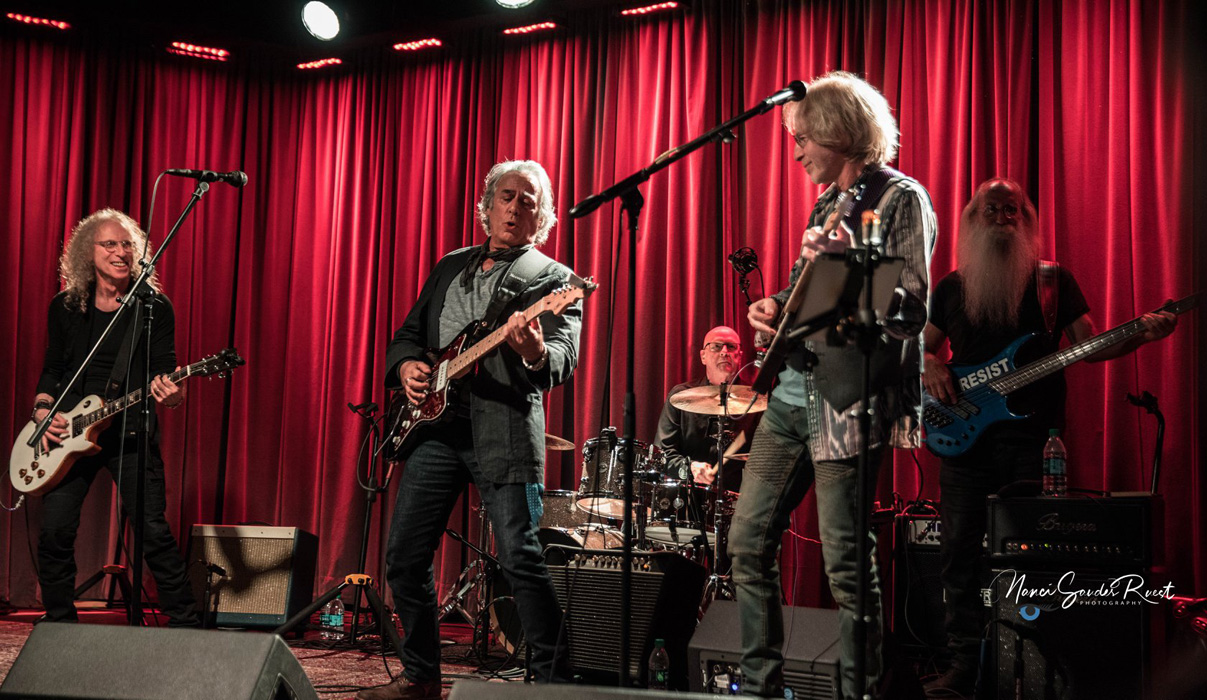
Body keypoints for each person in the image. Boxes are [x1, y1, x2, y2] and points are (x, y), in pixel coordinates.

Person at [921, 178, 1176, 697]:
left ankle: (1031, 663)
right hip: (962, 437)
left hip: (1034, 441)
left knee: (1031, 555)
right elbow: (921, 349)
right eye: (990, 209)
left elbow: (1089, 346)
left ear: (1027, 219)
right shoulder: (949, 286)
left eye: (1012, 210)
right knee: (958, 554)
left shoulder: (1053, 283)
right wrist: (927, 364)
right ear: (972, 219)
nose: (1001, 218)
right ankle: (965, 663)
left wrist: (1140, 336)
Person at [731, 71, 937, 700]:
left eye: (802, 141)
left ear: (839, 134)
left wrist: (847, 267)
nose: (796, 154)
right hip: (792, 393)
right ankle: (763, 687)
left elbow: (909, 310)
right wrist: (772, 306)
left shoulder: (901, 198)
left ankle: (861, 694)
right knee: (746, 542)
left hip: (849, 401)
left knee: (847, 568)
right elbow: (808, 300)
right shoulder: (829, 203)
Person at [364, 160, 580, 700]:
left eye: (527, 201)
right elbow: (406, 335)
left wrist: (532, 350)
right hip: (434, 432)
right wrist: (406, 367)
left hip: (502, 429)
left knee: (520, 558)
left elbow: (561, 358)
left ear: (542, 217)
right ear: (485, 208)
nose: (514, 208)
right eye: (506, 197)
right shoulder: (449, 265)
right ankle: (421, 677)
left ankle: (556, 684)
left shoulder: (552, 279)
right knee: (404, 558)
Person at [32, 208, 198, 627]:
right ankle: (59, 625)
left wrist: (173, 393)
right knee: (54, 532)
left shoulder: (153, 307)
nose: (121, 252)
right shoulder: (66, 306)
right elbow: (53, 367)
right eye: (110, 244)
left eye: (127, 244)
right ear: (89, 252)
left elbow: (167, 370)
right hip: (69, 434)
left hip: (129, 430)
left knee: (153, 533)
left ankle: (185, 624)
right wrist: (41, 411)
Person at [655, 325, 755, 493]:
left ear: (740, 355)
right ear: (703, 356)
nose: (724, 352)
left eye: (731, 347)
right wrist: (690, 468)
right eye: (716, 346)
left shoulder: (756, 400)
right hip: (689, 498)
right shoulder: (681, 396)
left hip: (741, 498)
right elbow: (662, 455)